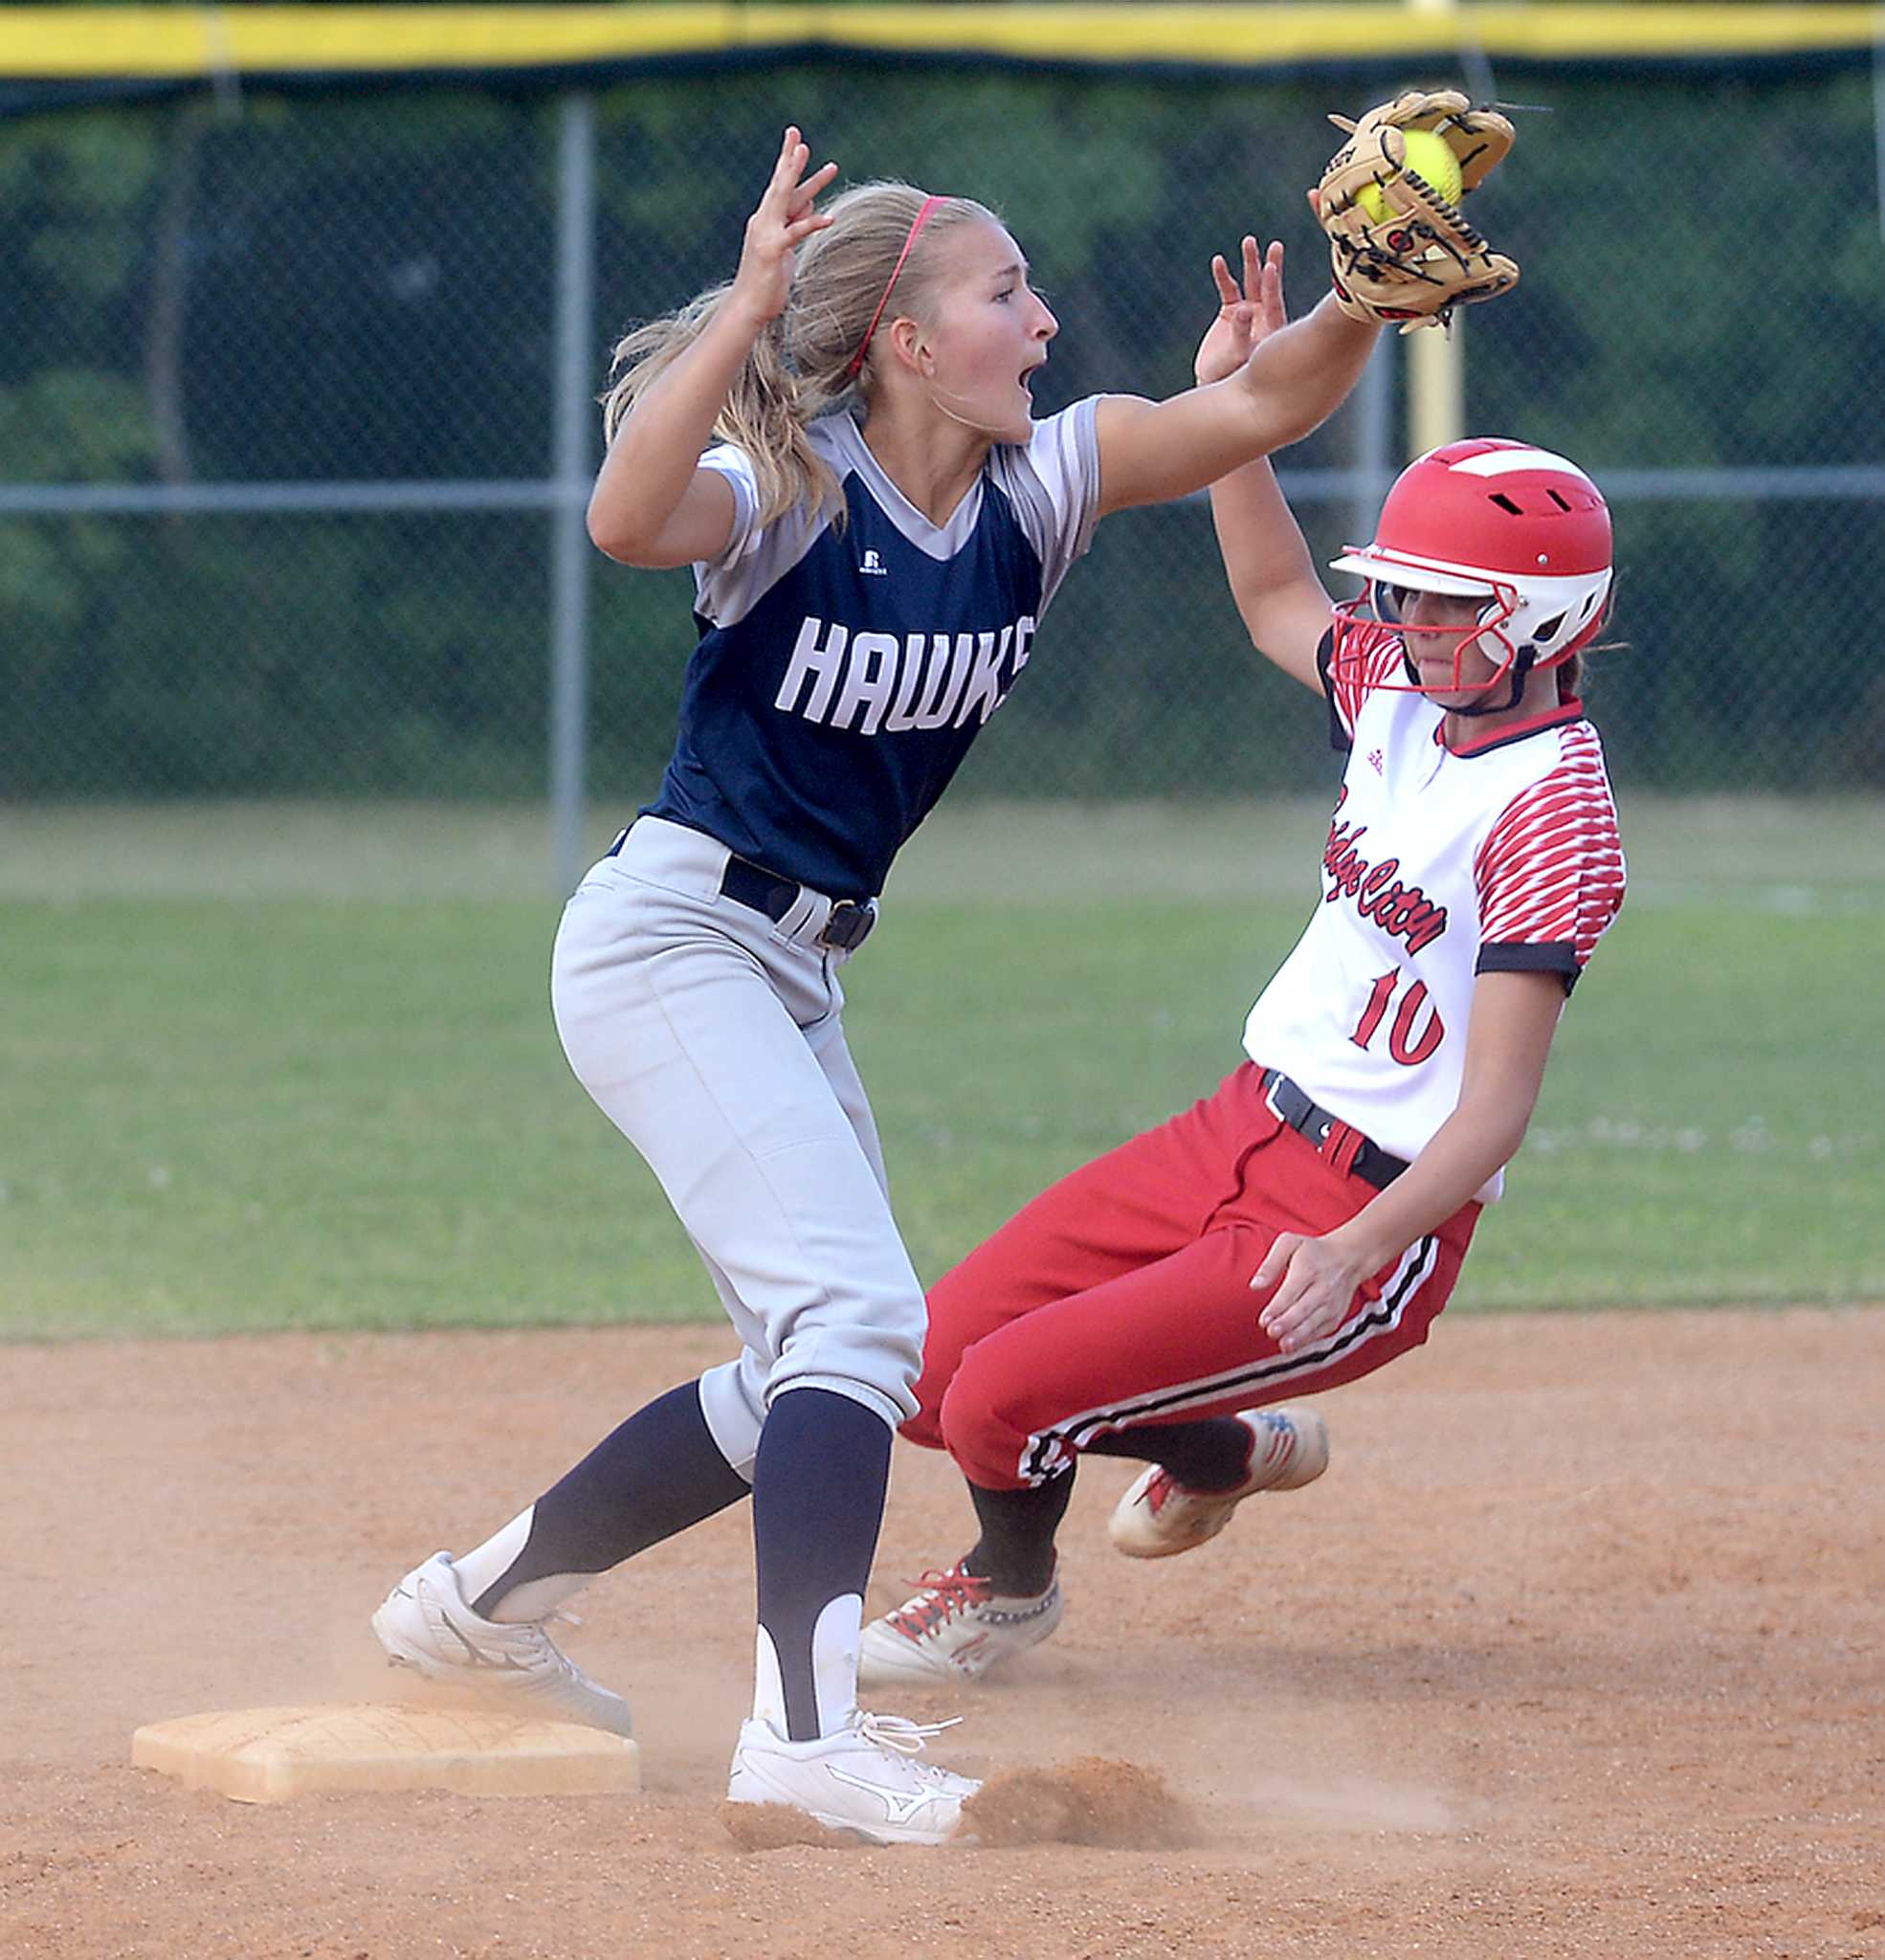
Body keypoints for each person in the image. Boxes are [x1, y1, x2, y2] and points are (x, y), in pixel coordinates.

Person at [369, 133, 1387, 1844]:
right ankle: (803, 1738)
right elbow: (628, 518)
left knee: (816, 1369)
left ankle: (476, 1609)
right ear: (909, 338)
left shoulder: (1041, 487)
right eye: (1007, 294)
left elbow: (1258, 410)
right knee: (854, 1328)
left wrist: (1375, 291)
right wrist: (750, 305)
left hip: (792, 967)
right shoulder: (795, 485)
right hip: (671, 942)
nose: (1045, 323)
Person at [855, 236, 1625, 1692]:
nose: (1407, 622)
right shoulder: (1405, 697)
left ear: (1541, 619)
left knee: (1006, 1401)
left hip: (1363, 1208)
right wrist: (1229, 418)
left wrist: (1351, 1253)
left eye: (1449, 600)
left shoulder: (1553, 810)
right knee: (925, 1372)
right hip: (1240, 1122)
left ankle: (1002, 1593)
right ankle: (1228, 1447)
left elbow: (1494, 1108)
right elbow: (1280, 602)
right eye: (1402, 590)